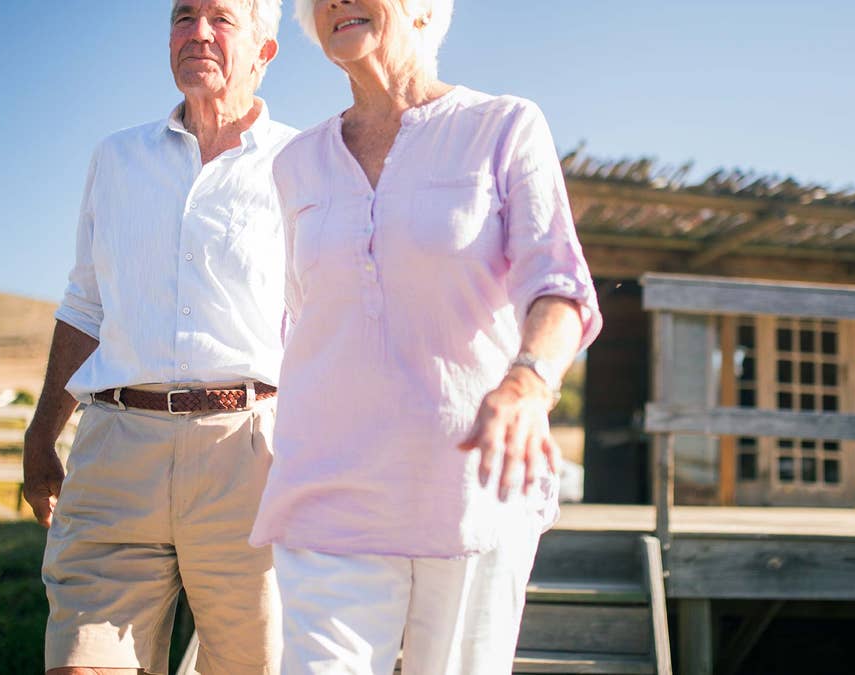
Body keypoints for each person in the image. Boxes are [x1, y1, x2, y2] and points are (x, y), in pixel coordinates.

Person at [249, 0, 603, 673]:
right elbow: (304, 319)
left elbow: (559, 284)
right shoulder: (295, 164)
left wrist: (528, 381)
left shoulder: (503, 126)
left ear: (422, 10)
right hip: (327, 490)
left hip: (471, 488)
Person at [21, 1, 297, 673]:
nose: (197, 32)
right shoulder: (116, 159)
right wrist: (41, 433)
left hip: (249, 459)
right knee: (81, 663)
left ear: (265, 50)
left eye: (222, 18)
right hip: (116, 450)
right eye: (183, 15)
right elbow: (86, 305)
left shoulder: (304, 162)